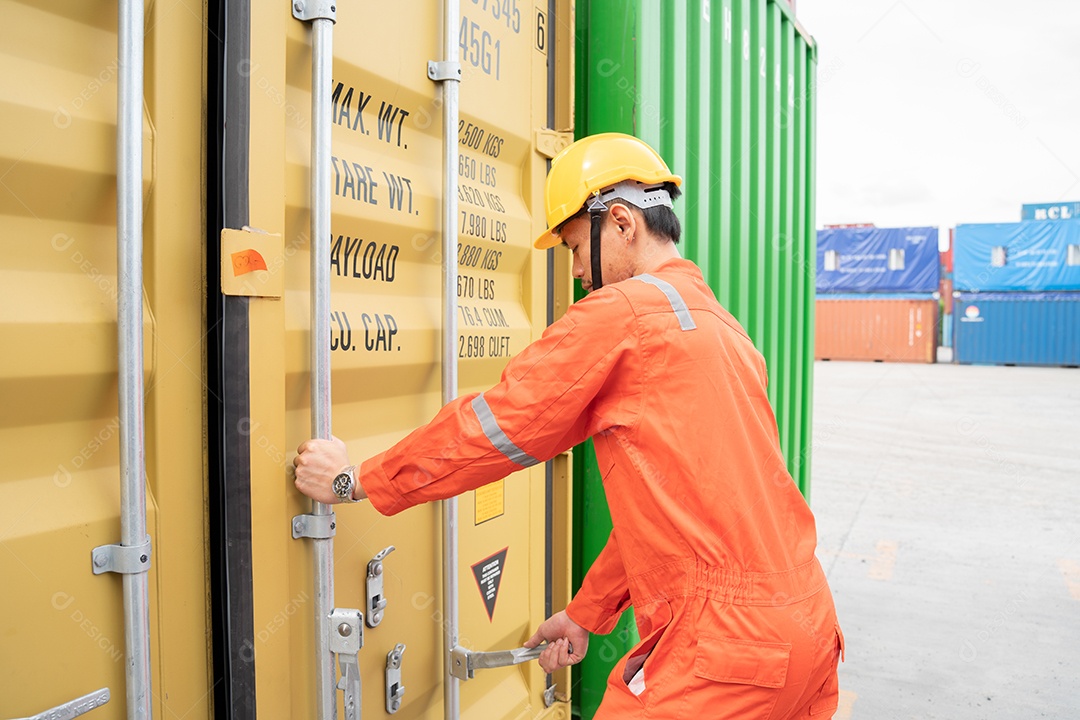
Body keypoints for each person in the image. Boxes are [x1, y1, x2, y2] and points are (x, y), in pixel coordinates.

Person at [294, 133, 843, 718]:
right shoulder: (727, 332)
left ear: (624, 223)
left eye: (577, 246)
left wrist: (357, 480)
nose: (578, 270)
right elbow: (678, 521)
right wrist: (586, 613)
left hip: (730, 653)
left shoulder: (624, 314)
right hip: (809, 626)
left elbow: (496, 427)